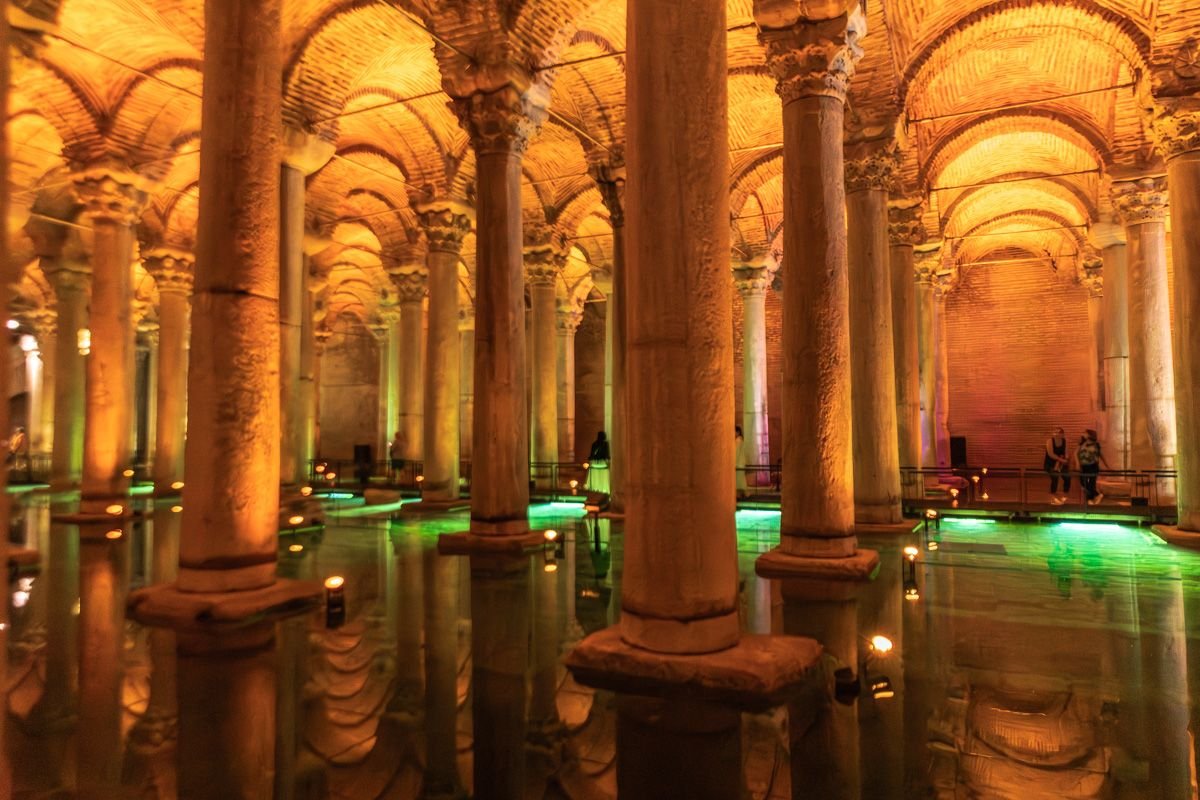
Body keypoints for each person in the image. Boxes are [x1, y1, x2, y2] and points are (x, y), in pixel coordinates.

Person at [1076, 429, 1108, 506]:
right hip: (1084, 466)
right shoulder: (1082, 443)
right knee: (1083, 483)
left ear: (1089, 435)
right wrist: (1077, 463)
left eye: (1085, 433)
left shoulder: (1096, 445)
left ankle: (1090, 500)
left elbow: (1101, 455)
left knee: (1091, 484)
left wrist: (1107, 465)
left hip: (1093, 466)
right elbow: (1076, 453)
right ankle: (1097, 495)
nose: (1083, 434)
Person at [1045, 427, 1071, 505]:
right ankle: (1053, 496)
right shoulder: (1050, 441)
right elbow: (1051, 454)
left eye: (1058, 432)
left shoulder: (1064, 441)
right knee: (1055, 477)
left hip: (1061, 463)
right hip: (1050, 463)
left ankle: (1064, 495)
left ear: (1062, 434)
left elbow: (1066, 452)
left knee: (1067, 477)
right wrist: (1061, 460)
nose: (1056, 434)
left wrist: (1066, 458)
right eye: (1055, 432)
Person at [735, 425, 748, 500]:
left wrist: (734, 462)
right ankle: (742, 494)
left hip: (738, 464)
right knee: (741, 480)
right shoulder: (741, 440)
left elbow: (736, 453)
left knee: (739, 481)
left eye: (734, 432)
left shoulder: (738, 441)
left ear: (738, 432)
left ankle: (740, 495)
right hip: (741, 463)